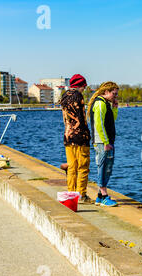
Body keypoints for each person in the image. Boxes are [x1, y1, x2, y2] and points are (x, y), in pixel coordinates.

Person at [59, 74, 92, 203]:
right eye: (84, 86)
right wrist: (87, 134)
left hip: (68, 135)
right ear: (80, 85)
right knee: (83, 166)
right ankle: (82, 194)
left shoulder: (64, 96)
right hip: (80, 136)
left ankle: (71, 193)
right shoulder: (78, 96)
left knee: (72, 166)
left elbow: (64, 118)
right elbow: (82, 118)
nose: (84, 89)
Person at [87, 81, 120, 207]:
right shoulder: (100, 103)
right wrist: (105, 142)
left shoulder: (106, 104)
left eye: (116, 95)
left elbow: (111, 121)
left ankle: (100, 197)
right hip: (102, 142)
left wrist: (115, 108)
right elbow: (99, 125)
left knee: (108, 167)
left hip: (107, 141)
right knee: (103, 167)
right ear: (106, 92)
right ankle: (104, 195)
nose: (115, 97)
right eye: (114, 94)